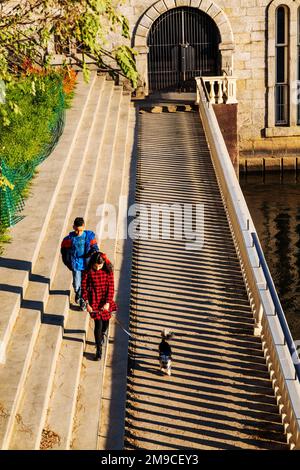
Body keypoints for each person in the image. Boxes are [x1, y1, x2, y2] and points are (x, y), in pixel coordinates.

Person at [81, 251, 117, 361]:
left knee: (105, 324)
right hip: (94, 301)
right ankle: (99, 350)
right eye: (95, 266)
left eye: (100, 266)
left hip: (105, 301)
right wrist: (87, 303)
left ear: (103, 264)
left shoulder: (108, 271)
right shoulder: (87, 272)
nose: (97, 268)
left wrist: (107, 302)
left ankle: (102, 335)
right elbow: (83, 287)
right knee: (98, 324)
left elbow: (111, 288)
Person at [61, 217, 99, 309]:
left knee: (85, 283)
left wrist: (92, 253)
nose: (79, 233)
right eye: (77, 230)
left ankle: (82, 300)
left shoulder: (89, 237)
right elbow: (64, 251)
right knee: (77, 283)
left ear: (84, 227)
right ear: (73, 227)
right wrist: (68, 262)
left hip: (87, 264)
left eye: (81, 230)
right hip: (76, 264)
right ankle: (78, 293)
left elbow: (95, 247)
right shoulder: (69, 239)